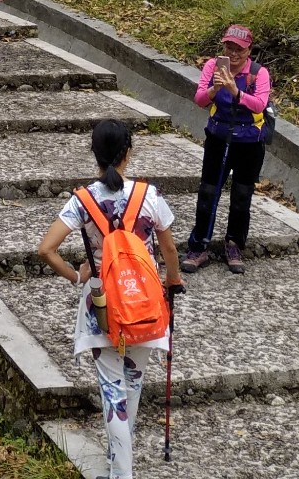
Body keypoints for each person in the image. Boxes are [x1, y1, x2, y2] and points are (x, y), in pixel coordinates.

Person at [36, 120, 187, 479]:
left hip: (103, 303)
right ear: (128, 152)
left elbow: (46, 249)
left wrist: (77, 275)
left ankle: (121, 470)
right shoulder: (149, 195)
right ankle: (120, 461)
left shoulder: (83, 200)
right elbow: (168, 248)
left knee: (112, 390)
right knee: (131, 384)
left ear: (95, 154)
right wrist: (172, 281)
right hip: (144, 301)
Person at [182, 23, 270, 275]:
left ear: (249, 50)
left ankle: (234, 244)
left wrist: (236, 91)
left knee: (242, 197)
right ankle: (199, 246)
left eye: (239, 50)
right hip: (218, 138)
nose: (233, 55)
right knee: (208, 193)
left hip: (249, 143)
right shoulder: (212, 67)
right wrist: (216, 88)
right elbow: (199, 100)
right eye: (229, 48)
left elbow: (259, 104)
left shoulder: (258, 73)